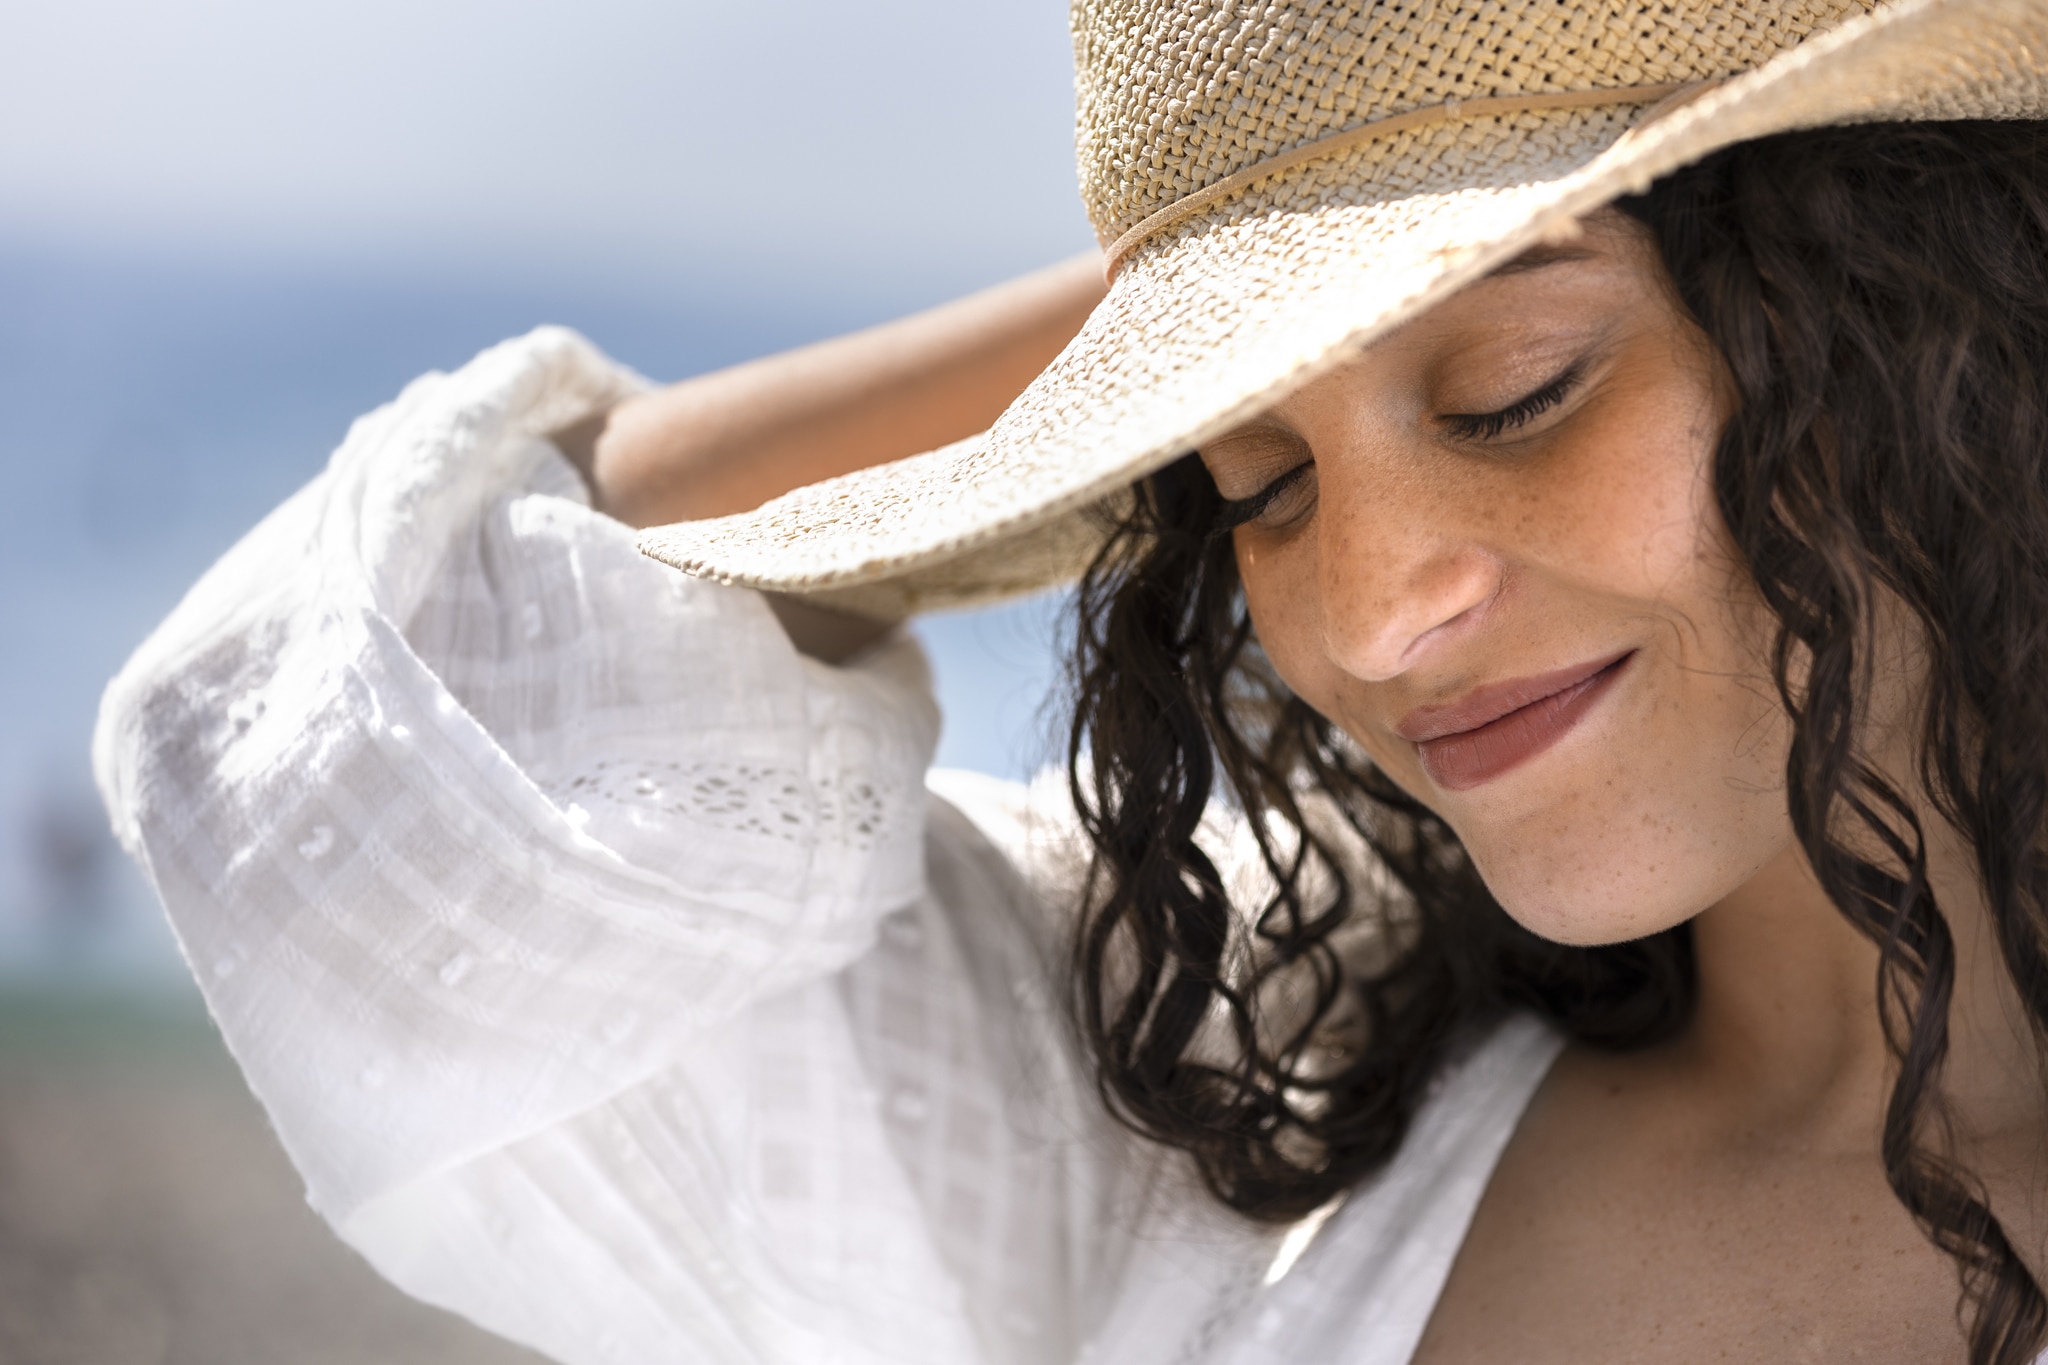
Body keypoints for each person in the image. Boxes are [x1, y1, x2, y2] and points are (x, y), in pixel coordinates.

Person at [92, 1, 2048, 1362]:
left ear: (1934, 319)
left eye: (1511, 389)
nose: (1362, 613)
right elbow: (359, 740)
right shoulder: (1248, 1100)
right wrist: (1229, 257)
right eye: (1250, 484)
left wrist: (1334, 248)